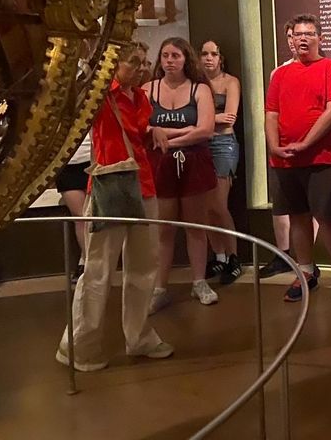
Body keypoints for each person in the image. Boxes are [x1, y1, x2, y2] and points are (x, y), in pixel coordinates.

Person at [56, 44, 173, 371]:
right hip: (109, 189)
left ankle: (139, 337)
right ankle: (80, 345)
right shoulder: (101, 94)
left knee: (143, 266)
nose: (142, 67)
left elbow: (137, 132)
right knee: (98, 269)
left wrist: (153, 131)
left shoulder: (140, 97)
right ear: (114, 65)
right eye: (134, 62)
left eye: (143, 61)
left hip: (142, 187)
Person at [265, 14, 331, 302]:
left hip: (322, 158)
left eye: (309, 34)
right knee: (297, 217)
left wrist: (305, 144)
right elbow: (271, 113)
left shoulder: (330, 68)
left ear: (319, 38)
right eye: (298, 34)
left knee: (326, 216)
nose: (303, 38)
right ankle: (304, 271)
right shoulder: (279, 74)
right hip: (286, 160)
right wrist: (274, 146)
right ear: (291, 39)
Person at [144, 37, 219, 312]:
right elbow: (142, 128)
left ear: (186, 58)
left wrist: (165, 137)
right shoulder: (147, 90)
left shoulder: (199, 90)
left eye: (175, 55)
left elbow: (206, 129)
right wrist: (181, 132)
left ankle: (199, 282)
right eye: (165, 55)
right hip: (159, 166)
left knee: (196, 226)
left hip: (193, 162)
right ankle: (160, 287)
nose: (169, 61)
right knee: (163, 228)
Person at [200, 40, 243, 286]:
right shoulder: (195, 83)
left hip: (222, 145)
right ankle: (218, 256)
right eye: (204, 54)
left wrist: (201, 119)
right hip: (199, 146)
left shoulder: (230, 82)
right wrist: (210, 118)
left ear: (220, 58)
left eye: (213, 54)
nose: (208, 58)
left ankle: (233, 257)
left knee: (219, 204)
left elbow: (229, 119)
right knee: (204, 207)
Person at [54, 131, 90, 283]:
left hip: (94, 157)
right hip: (66, 161)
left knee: (93, 214)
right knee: (81, 216)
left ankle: (88, 260)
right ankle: (88, 261)